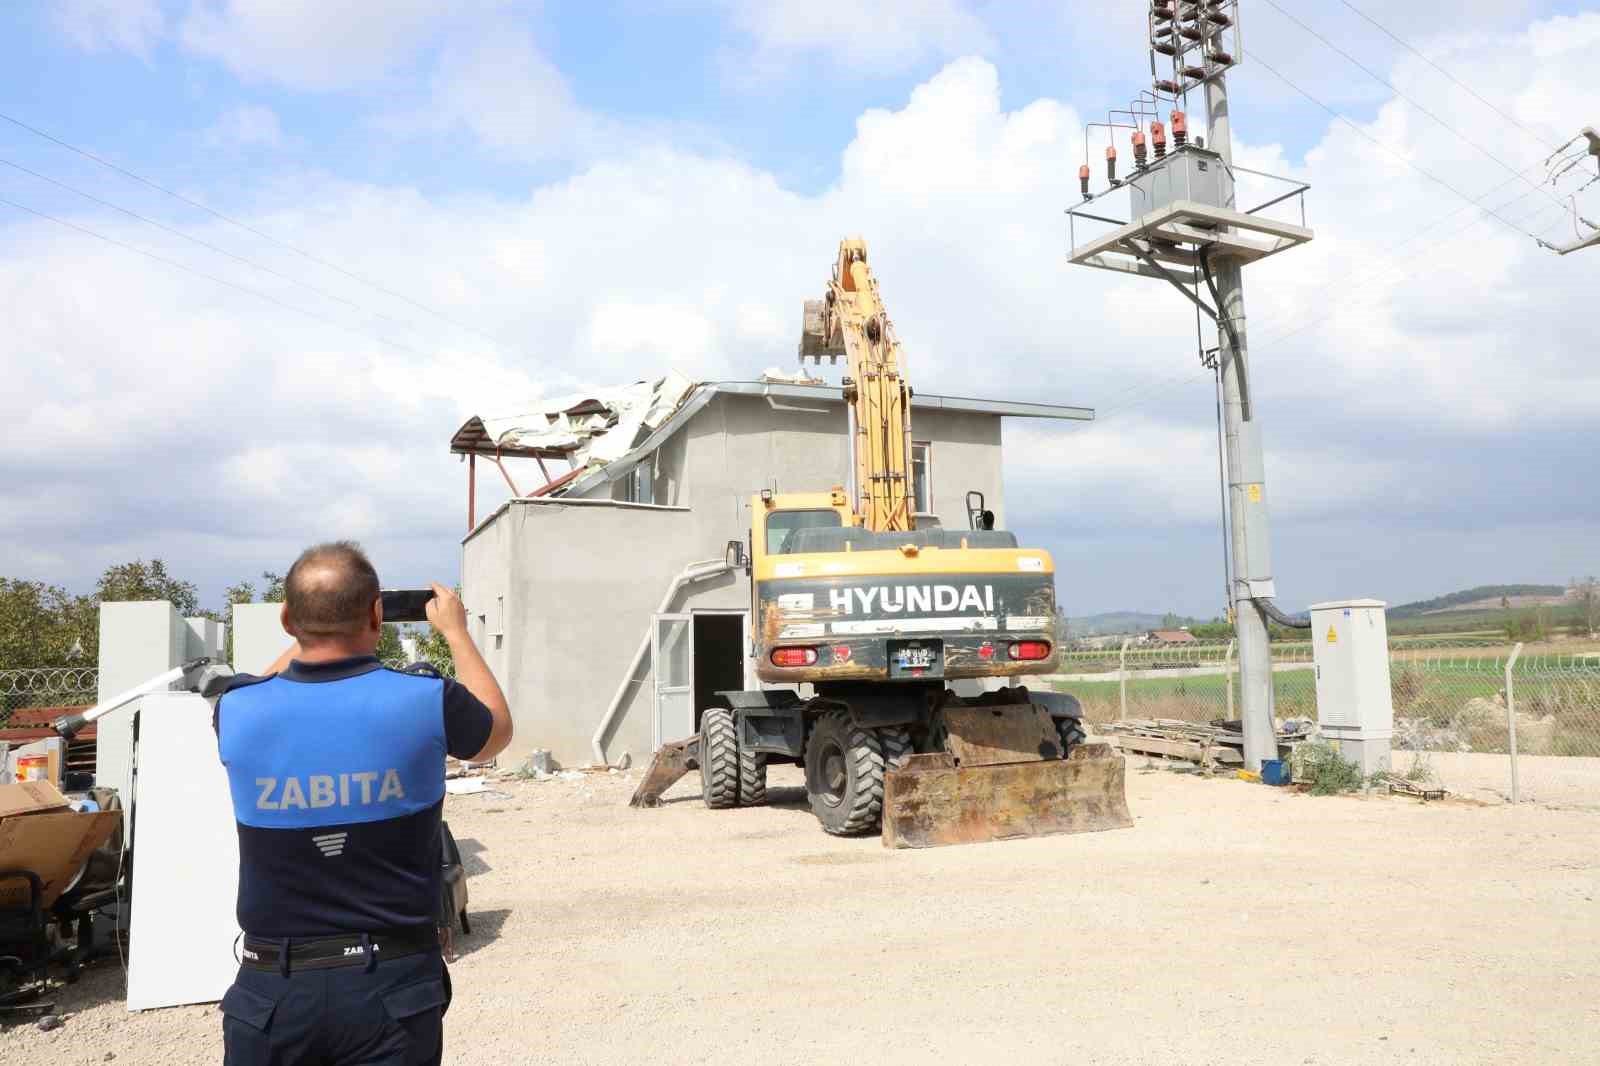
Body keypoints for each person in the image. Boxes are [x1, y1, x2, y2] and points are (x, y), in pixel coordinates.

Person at [212, 542, 512, 1065]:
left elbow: (267, 682)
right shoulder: (426, 700)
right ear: (377, 615)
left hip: (272, 993)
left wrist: (310, 626)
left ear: (286, 618)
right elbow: (496, 733)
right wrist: (456, 633)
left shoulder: (236, 710)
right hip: (391, 987)